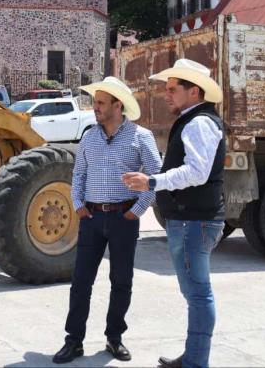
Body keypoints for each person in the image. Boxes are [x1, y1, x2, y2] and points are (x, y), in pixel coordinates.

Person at [122, 59, 225, 368]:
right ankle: (193, 357)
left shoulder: (199, 122)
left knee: (198, 294)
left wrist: (153, 181)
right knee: (195, 293)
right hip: (190, 219)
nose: (166, 95)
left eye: (172, 89)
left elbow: (197, 173)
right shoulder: (194, 120)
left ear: (193, 92)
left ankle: (196, 363)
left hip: (194, 221)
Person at [53, 76, 162, 364]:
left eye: (100, 103)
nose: (95, 108)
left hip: (123, 218)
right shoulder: (89, 136)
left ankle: (114, 338)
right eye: (94, 102)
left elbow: (155, 179)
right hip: (91, 218)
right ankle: (73, 341)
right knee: (80, 282)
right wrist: (78, 204)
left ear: (118, 105)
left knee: (121, 281)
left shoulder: (141, 136)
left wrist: (136, 211)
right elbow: (79, 175)